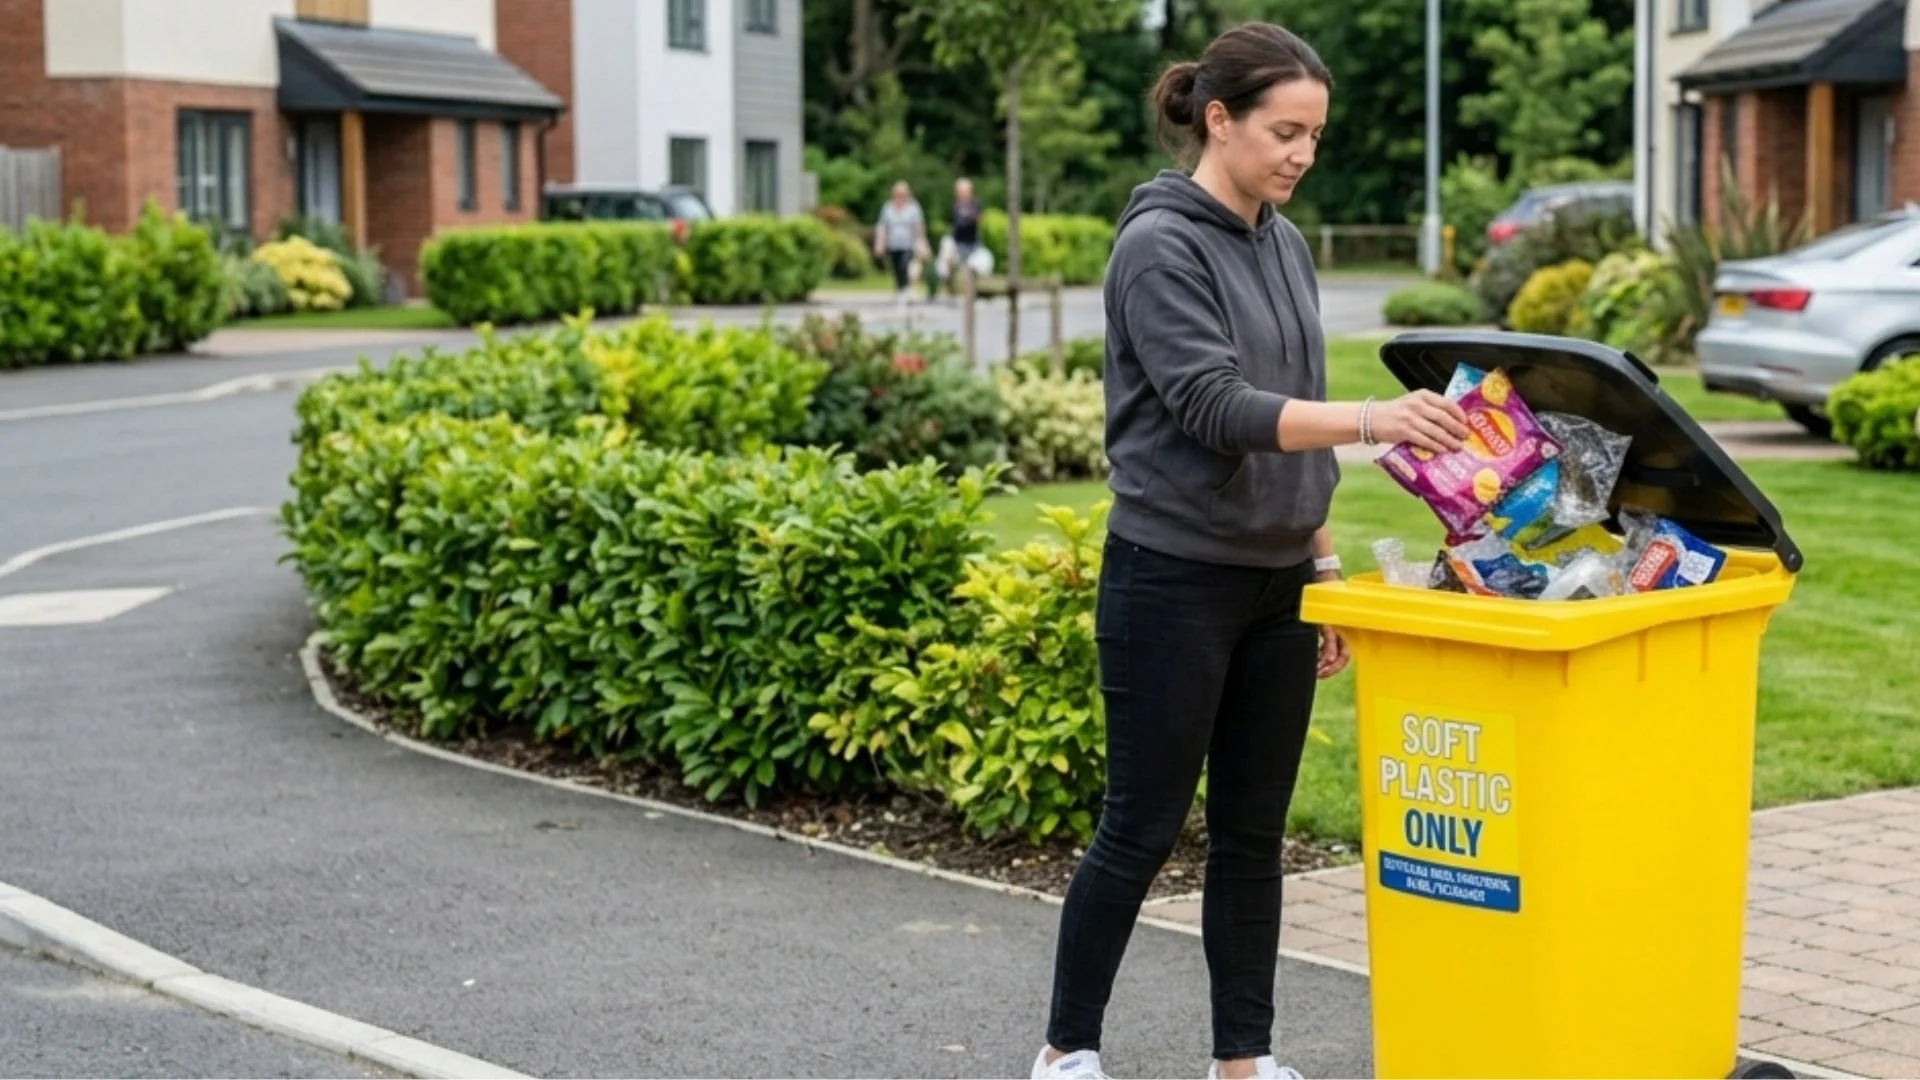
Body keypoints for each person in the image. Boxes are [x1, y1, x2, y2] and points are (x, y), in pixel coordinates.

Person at [1030, 22, 1469, 1080]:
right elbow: (1216, 407)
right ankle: (1066, 1051)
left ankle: (1244, 1060)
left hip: (1277, 583)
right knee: (1140, 828)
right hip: (1173, 576)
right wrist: (1374, 420)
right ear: (1218, 119)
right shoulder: (1157, 246)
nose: (1302, 155)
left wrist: (1320, 560)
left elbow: (1287, 411)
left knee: (1251, 836)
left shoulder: (1285, 242)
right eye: (1285, 132)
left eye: (1314, 136)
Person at [873, 181, 928, 305]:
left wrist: (921, 243)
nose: (900, 196)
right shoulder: (888, 207)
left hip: (908, 244)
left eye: (902, 194)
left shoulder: (913, 208)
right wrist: (880, 243)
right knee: (896, 268)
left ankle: (904, 289)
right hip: (893, 244)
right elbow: (882, 226)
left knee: (904, 266)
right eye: (898, 194)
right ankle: (900, 289)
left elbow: (918, 226)